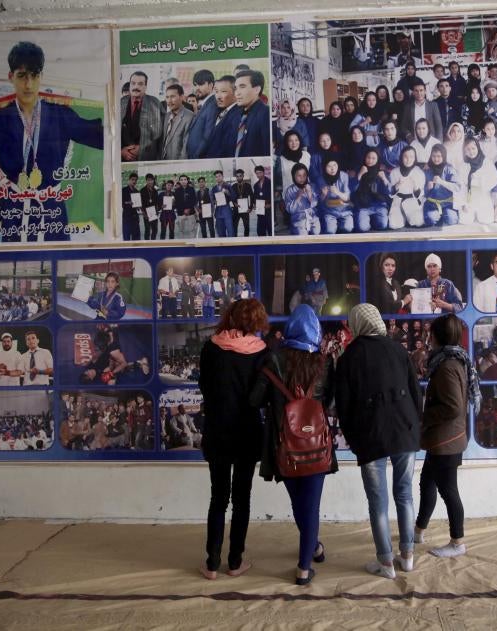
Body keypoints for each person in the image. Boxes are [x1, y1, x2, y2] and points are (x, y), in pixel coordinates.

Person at [0, 41, 104, 242]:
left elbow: (99, 136)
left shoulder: (59, 115)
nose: (29, 84)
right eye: (22, 76)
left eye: (34, 75)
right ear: (11, 77)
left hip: (52, 212)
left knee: (56, 260)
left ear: (41, 76)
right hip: (14, 212)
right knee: (14, 260)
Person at [250, 305, 337, 586]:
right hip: (316, 444)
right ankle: (304, 568)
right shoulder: (324, 363)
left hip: (283, 446)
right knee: (310, 506)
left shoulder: (273, 359)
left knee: (300, 504)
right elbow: (330, 402)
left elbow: (254, 400)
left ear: (288, 330)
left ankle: (313, 549)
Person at [335, 304, 422, 579]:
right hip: (405, 431)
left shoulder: (349, 357)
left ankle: (386, 563)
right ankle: (407, 557)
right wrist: (414, 426)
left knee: (378, 502)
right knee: (405, 494)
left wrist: (353, 439)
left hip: (370, 436)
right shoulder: (398, 349)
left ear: (357, 324)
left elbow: (344, 406)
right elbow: (415, 393)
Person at [196, 298, 270, 579]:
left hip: (217, 430)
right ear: (257, 321)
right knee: (242, 499)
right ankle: (235, 562)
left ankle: (212, 564)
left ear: (230, 315)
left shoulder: (211, 347)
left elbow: (204, 386)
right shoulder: (261, 352)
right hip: (247, 432)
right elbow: (262, 397)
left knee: (218, 497)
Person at [414, 314, 479, 557]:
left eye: (430, 333)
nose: (428, 338)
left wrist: (425, 417)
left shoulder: (447, 366)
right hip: (442, 439)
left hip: (445, 441)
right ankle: (418, 531)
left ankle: (457, 543)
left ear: (437, 336)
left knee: (448, 491)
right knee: (427, 483)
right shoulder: (454, 359)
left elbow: (453, 407)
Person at [210, 70, 271, 158]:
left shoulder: (266, 115)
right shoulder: (235, 116)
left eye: (242, 87)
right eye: (236, 88)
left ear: (257, 89)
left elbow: (268, 154)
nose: (237, 93)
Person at [121, 70, 164, 162]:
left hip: (147, 159)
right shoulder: (121, 103)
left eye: (140, 84)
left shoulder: (155, 103)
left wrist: (142, 149)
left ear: (145, 87)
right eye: (133, 83)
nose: (136, 87)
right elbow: (112, 132)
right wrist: (121, 151)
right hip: (123, 159)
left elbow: (161, 135)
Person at [460, 137, 497, 225]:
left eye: (473, 148)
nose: (471, 151)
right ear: (464, 151)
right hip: (468, 196)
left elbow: (495, 178)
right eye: (468, 149)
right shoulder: (463, 164)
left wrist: (478, 179)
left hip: (483, 195)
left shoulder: (486, 161)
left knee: (486, 220)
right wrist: (463, 203)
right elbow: (460, 185)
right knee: (465, 221)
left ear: (478, 147)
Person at [352, 149, 392, 233]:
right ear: (365, 158)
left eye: (373, 158)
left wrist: (384, 179)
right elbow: (352, 190)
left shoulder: (382, 172)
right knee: (362, 228)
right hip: (363, 205)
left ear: (377, 159)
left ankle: (372, 219)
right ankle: (366, 219)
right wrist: (360, 174)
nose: (370, 160)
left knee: (383, 225)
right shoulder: (359, 169)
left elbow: (390, 192)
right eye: (368, 157)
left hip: (379, 205)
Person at [388, 146, 425, 228]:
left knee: (418, 222)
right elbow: (390, 192)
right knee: (393, 225)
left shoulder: (419, 172)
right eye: (405, 157)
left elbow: (421, 194)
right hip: (398, 200)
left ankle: (408, 218)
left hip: (412, 201)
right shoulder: (394, 172)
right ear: (401, 157)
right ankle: (402, 217)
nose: (408, 160)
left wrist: (415, 187)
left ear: (415, 158)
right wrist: (396, 185)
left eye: (411, 157)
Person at [423, 145, 460, 227]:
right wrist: (427, 188)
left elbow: (457, 187)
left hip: (447, 203)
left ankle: (444, 215)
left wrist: (442, 182)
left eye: (439, 156)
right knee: (431, 219)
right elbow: (422, 191)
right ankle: (438, 216)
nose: (436, 159)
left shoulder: (449, 168)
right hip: (432, 204)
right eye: (434, 156)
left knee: (452, 219)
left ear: (444, 156)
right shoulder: (427, 169)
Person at [185, 70, 218, 159]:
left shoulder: (213, 105)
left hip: (199, 159)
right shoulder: (205, 104)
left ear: (211, 85)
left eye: (200, 84)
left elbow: (208, 136)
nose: (197, 88)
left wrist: (196, 156)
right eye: (195, 85)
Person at [318, 158, 355, 234]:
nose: (332, 169)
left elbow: (347, 198)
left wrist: (337, 192)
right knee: (330, 231)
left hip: (344, 210)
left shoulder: (344, 175)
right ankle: (333, 225)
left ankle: (339, 225)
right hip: (329, 211)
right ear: (324, 167)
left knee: (348, 229)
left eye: (335, 165)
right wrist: (323, 195)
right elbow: (318, 202)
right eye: (329, 166)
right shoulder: (320, 179)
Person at [284, 164, 321, 236]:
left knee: (316, 232)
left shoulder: (312, 186)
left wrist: (309, 193)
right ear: (293, 176)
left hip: (313, 217)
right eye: (299, 175)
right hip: (298, 219)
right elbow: (290, 210)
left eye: (304, 175)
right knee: (302, 235)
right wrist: (298, 196)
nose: (302, 178)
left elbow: (315, 204)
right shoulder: (290, 190)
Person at [161, 84, 193, 160]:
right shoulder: (166, 116)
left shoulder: (190, 117)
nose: (169, 101)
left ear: (181, 97)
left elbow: (186, 149)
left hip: (177, 163)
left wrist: (179, 165)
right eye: (167, 97)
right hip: (162, 161)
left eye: (172, 96)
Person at [210, 170, 235, 238]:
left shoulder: (228, 186)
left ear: (222, 176)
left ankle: (231, 243)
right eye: (216, 177)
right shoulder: (214, 188)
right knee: (220, 231)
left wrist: (228, 193)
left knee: (230, 230)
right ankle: (222, 244)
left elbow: (233, 197)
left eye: (219, 176)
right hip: (218, 210)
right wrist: (214, 201)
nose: (218, 178)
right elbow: (212, 199)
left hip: (226, 209)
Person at [174, 174, 199, 239]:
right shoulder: (177, 190)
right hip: (181, 213)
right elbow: (177, 203)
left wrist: (188, 209)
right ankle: (182, 244)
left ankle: (192, 243)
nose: (183, 181)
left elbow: (194, 200)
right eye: (181, 180)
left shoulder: (191, 189)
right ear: (179, 181)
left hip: (191, 213)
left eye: (185, 179)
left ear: (187, 181)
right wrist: (183, 210)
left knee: (192, 230)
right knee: (181, 231)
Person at [230, 169, 254, 238]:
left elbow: (252, 196)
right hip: (236, 209)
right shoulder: (233, 186)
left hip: (245, 210)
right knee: (234, 226)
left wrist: (250, 207)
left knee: (246, 226)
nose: (239, 178)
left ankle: (246, 240)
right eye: (237, 176)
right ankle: (235, 240)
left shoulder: (247, 185)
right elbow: (231, 198)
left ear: (243, 176)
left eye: (240, 176)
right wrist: (234, 203)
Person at [252, 165, 273, 237]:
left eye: (260, 172)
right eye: (257, 173)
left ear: (264, 172)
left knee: (270, 231)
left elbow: (274, 197)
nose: (258, 175)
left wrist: (270, 205)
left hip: (269, 211)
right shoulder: (255, 185)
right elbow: (255, 197)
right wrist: (255, 204)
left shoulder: (270, 182)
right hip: (260, 212)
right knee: (260, 232)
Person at [121, 171, 142, 241]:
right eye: (132, 179)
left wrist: (139, 206)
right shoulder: (123, 190)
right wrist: (128, 202)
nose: (134, 181)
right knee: (126, 238)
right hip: (127, 217)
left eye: (136, 180)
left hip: (135, 217)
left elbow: (138, 207)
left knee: (136, 238)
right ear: (129, 180)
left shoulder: (137, 191)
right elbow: (121, 203)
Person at [139, 173, 159, 241]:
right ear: (146, 181)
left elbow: (156, 202)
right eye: (148, 180)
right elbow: (141, 203)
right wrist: (144, 213)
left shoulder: (155, 190)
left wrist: (157, 211)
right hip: (146, 213)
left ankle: (153, 242)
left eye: (151, 180)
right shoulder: (142, 190)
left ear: (153, 180)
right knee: (147, 230)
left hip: (154, 212)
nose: (150, 182)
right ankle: (146, 244)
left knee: (155, 230)